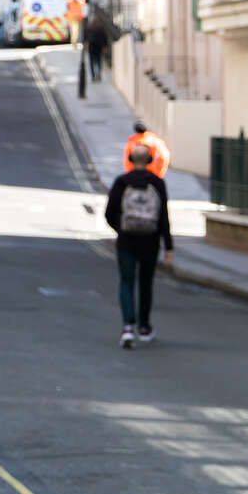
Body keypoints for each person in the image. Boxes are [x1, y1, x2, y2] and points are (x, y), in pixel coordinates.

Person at [104, 143, 173, 348]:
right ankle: (144, 327)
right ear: (150, 160)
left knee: (126, 282)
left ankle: (127, 327)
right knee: (146, 283)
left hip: (126, 241)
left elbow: (109, 213)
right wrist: (168, 247)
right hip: (150, 242)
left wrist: (122, 229)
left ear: (131, 160)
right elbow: (164, 218)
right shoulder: (158, 183)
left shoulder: (122, 182)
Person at [85, 17, 109, 82]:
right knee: (98, 62)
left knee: (92, 63)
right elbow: (105, 38)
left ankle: (93, 76)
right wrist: (105, 46)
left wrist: (86, 45)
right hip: (98, 47)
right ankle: (98, 75)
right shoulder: (100, 28)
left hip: (92, 47)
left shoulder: (90, 28)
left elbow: (86, 38)